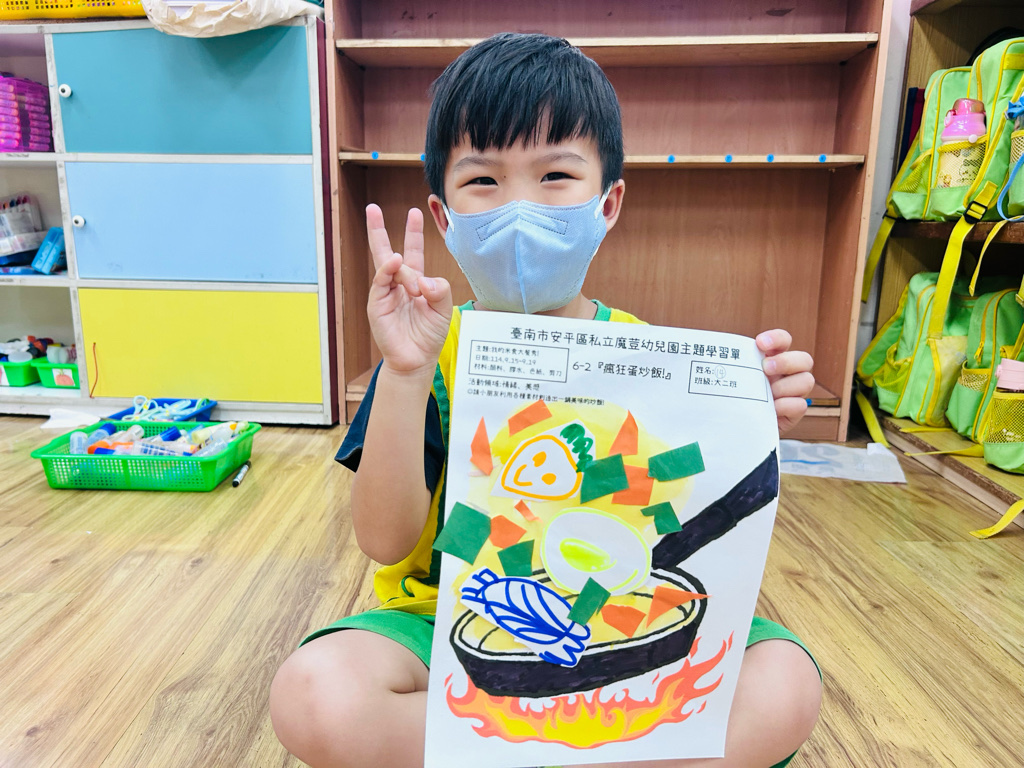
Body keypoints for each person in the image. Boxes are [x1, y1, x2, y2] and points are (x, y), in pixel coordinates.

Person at [271, 32, 821, 768]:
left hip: (627, 622)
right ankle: (617, 752)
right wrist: (402, 376)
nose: (520, 208)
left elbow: (696, 504)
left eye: (556, 174)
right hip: (448, 622)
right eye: (483, 181)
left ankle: (507, 752)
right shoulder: (426, 355)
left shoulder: (647, 356)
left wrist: (752, 414)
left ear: (608, 202)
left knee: (786, 679)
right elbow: (384, 541)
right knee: (316, 692)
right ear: (444, 215)